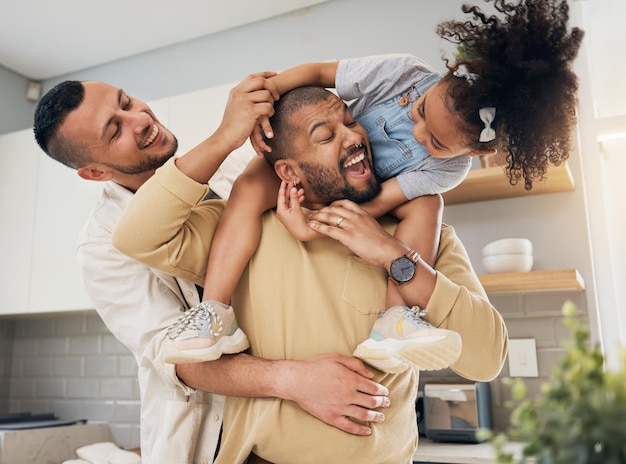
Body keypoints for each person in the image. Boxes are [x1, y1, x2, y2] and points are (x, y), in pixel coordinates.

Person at [162, 0, 584, 377]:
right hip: (323, 178)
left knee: (427, 206)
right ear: (443, 77)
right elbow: (318, 73)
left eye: (436, 143)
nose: (418, 134)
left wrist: (312, 225)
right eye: (420, 112)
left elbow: (382, 200)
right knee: (250, 184)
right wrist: (268, 96)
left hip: (361, 192)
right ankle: (214, 312)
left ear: (473, 153)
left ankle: (394, 319)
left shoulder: (447, 173)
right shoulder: (401, 71)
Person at [112, 84, 508, 463]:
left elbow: (487, 359)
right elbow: (137, 236)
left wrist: (394, 257)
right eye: (325, 136)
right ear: (288, 171)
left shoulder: (422, 237)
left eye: (351, 122)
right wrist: (223, 139)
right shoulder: (247, 230)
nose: (354, 138)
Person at [33, 75, 398, 463]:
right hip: (217, 439)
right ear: (94, 173)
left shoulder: (241, 167)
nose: (138, 119)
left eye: (126, 102)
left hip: (309, 424)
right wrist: (293, 379)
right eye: (115, 129)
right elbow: (176, 360)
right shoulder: (102, 245)